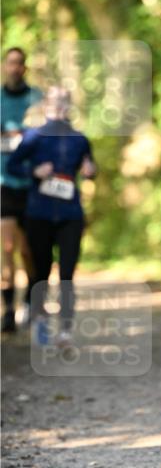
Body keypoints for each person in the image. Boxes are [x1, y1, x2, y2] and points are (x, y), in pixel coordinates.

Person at [7, 86, 96, 348]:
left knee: (67, 274)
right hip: (39, 214)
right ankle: (40, 323)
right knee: (41, 273)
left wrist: (90, 170)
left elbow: (90, 166)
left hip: (70, 215)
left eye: (63, 103)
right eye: (54, 102)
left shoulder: (79, 139)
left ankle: (65, 330)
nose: (58, 107)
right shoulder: (34, 137)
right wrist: (34, 172)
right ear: (45, 106)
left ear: (69, 107)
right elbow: (13, 165)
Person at [1, 47, 42, 332]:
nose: (15, 68)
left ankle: (30, 300)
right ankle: (7, 312)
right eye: (10, 63)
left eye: (20, 64)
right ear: (5, 66)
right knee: (7, 247)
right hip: (3, 183)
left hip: (32, 185)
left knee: (29, 251)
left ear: (24, 68)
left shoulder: (36, 99)